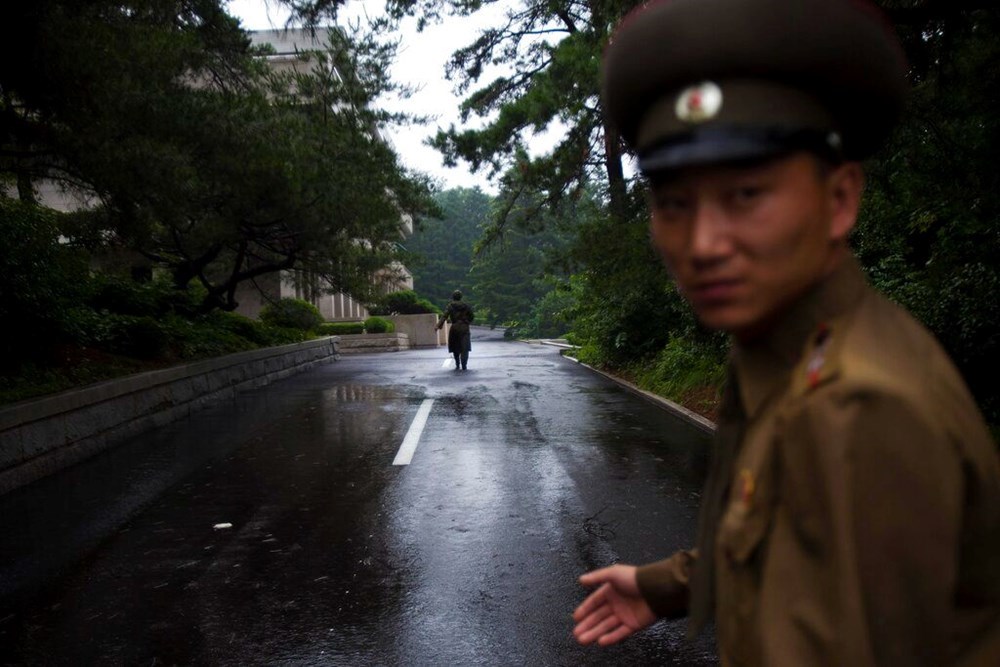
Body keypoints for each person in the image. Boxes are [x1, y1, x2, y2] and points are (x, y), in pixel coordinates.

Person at [571, 0, 1000, 665]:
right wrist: (663, 586)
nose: (704, 242)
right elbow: (779, 532)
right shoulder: (788, 351)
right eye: (673, 203)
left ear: (840, 199)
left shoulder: (858, 410)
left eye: (746, 194)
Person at [436, 290, 474, 370]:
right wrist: (467, 321)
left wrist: (438, 325)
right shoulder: (466, 306)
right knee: (465, 347)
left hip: (455, 327)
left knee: (455, 345)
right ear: (461, 297)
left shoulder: (450, 306)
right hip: (464, 327)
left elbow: (444, 316)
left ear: (453, 297)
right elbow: (472, 316)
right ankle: (464, 365)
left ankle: (457, 363)